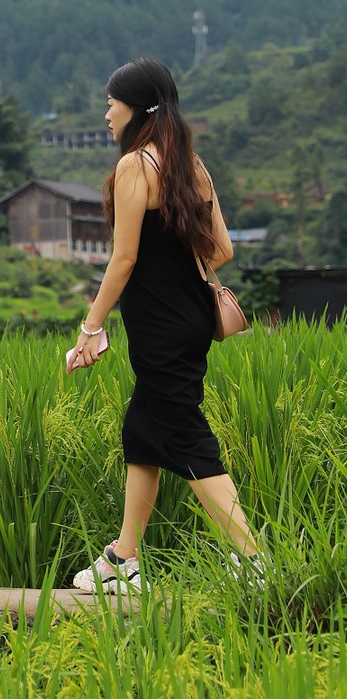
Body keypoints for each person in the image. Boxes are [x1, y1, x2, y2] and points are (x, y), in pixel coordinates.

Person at [68, 58, 263, 592]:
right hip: (191, 319)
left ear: (137, 108)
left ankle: (252, 560)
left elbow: (123, 259)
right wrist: (177, 270)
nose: (107, 113)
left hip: (158, 327)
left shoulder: (136, 166)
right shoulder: (190, 168)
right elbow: (220, 248)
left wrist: (91, 327)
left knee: (183, 432)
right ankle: (124, 558)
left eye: (112, 103)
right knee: (143, 431)